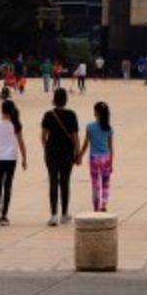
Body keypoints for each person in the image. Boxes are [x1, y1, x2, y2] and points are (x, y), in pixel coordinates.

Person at [39, 88, 82, 226]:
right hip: (67, 153)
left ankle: (53, 215)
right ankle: (64, 214)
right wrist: (78, 153)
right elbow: (75, 136)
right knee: (65, 182)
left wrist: (47, 148)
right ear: (65, 99)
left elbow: (43, 136)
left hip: (51, 153)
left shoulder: (48, 115)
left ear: (54, 99)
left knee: (53, 181)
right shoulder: (71, 115)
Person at [86, 101, 116, 212]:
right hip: (106, 159)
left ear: (96, 113)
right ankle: (104, 204)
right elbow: (111, 148)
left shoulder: (90, 127)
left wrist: (79, 155)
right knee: (106, 183)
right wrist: (111, 163)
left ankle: (96, 207)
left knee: (95, 184)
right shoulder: (109, 128)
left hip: (94, 158)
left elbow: (86, 144)